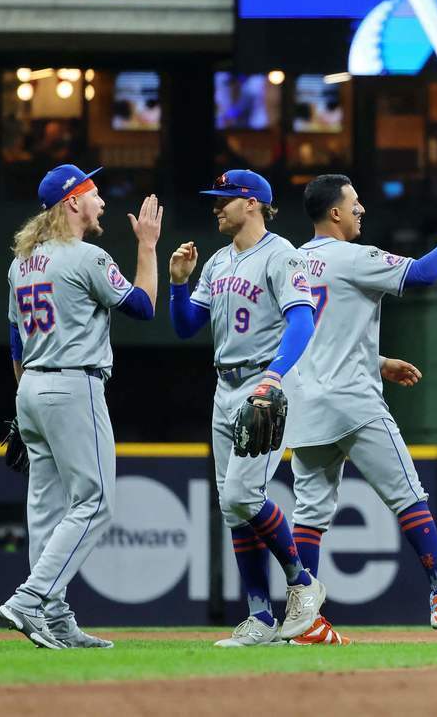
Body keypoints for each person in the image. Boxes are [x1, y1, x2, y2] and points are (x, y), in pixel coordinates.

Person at [286, 173, 437, 643]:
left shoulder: (292, 262)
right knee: (408, 495)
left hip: (306, 403)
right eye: (355, 203)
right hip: (354, 402)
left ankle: (303, 618)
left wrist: (377, 361)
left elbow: (313, 332)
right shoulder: (354, 257)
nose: (361, 210)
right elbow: (424, 273)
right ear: (335, 212)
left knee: (310, 513)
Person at [0, 166, 161, 649]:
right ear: (72, 203)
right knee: (94, 503)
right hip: (73, 385)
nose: (102, 202)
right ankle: (31, 600)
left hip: (31, 387)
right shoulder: (86, 257)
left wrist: (26, 402)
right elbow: (143, 307)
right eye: (93, 194)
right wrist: (147, 246)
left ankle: (54, 617)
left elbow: (13, 339)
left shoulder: (21, 262)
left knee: (46, 511)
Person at [166, 169, 325, 647]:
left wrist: (275, 376)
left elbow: (302, 321)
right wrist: (178, 284)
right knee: (232, 508)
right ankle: (260, 617)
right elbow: (185, 326)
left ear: (252, 203)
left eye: (225, 199)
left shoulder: (281, 255)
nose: (217, 206)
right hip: (226, 383)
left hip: (265, 380)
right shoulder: (216, 262)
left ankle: (301, 582)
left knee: (240, 494)